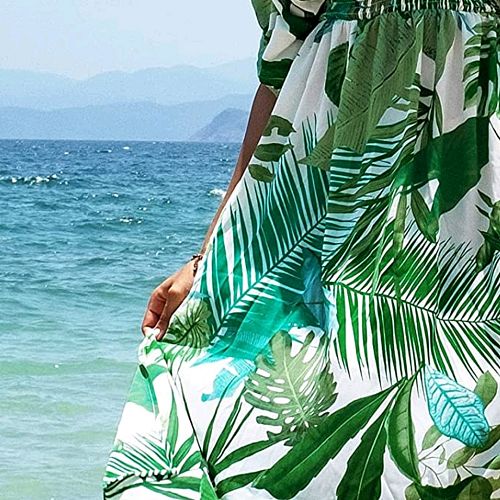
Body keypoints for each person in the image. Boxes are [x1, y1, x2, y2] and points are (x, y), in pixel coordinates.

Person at [103, 0, 500, 498]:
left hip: (475, 183)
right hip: (321, 185)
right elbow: (278, 75)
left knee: (464, 432)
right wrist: (206, 257)